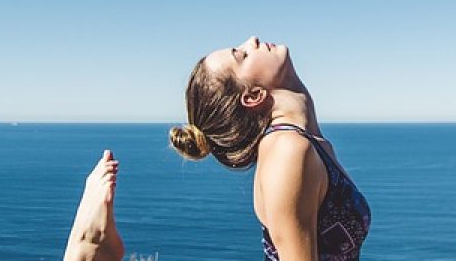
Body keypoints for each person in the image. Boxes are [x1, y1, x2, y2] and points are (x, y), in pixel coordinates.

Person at [61, 36, 371, 261]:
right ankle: (87, 248)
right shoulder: (287, 150)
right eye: (242, 55)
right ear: (252, 96)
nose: (253, 40)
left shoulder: (311, 145)